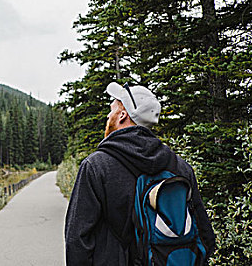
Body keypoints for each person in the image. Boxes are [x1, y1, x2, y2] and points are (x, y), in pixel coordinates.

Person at [64, 82, 216, 265]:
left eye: (112, 109)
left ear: (122, 115)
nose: (108, 115)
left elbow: (77, 240)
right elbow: (205, 234)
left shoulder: (96, 166)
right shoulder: (180, 167)